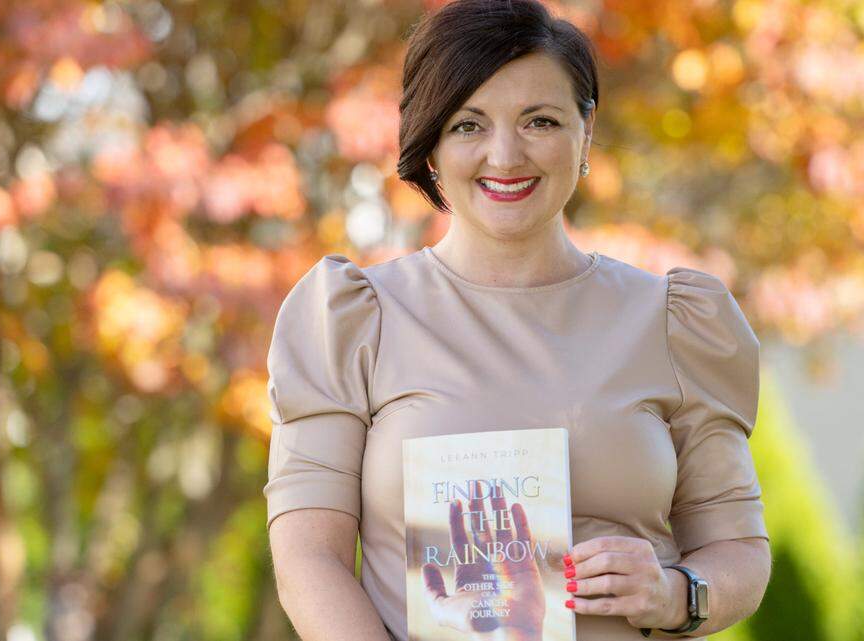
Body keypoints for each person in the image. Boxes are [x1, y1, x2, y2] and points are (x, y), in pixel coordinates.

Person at [264, 0, 772, 639]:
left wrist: (677, 594)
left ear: (585, 132)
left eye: (540, 120)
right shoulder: (353, 319)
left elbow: (739, 552)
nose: (505, 155)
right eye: (469, 125)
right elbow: (310, 557)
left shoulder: (673, 322)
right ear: (430, 141)